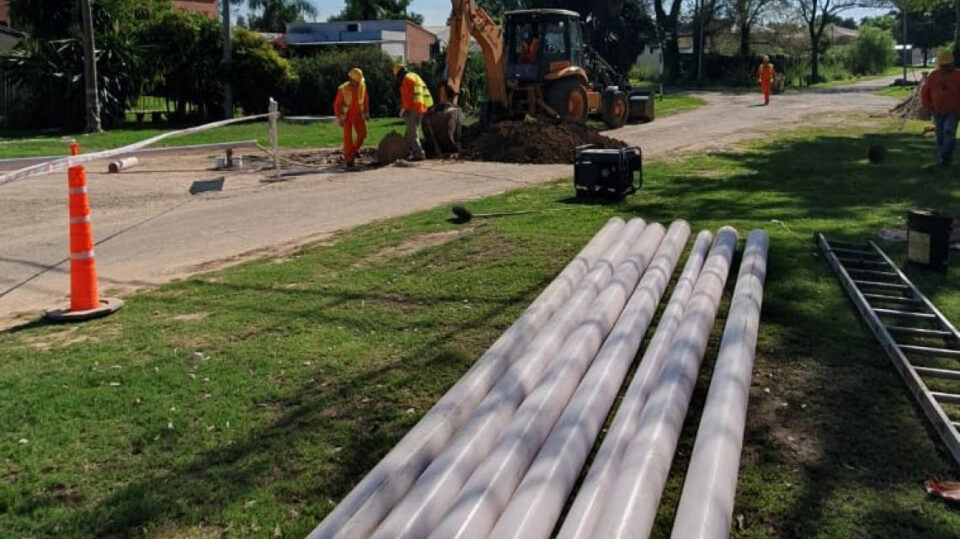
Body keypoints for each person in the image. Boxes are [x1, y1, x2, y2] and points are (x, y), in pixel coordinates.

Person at [921, 50, 960, 165]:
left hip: (954, 111)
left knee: (949, 132)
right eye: (943, 65)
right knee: (940, 135)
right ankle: (944, 161)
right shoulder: (934, 75)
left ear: (952, 64)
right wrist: (928, 106)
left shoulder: (958, 76)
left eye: (947, 65)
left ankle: (945, 155)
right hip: (937, 111)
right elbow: (925, 92)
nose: (945, 68)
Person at [394, 63, 434, 161]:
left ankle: (419, 154)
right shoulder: (415, 76)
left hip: (412, 108)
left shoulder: (406, 80)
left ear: (399, 74)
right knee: (409, 132)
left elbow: (407, 98)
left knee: (412, 133)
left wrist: (403, 109)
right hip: (421, 108)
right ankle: (405, 152)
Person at [333, 67, 370, 167]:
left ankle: (354, 151)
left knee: (363, 134)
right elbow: (337, 104)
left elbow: (365, 99)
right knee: (348, 140)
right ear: (351, 80)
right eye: (357, 81)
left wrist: (366, 112)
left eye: (359, 81)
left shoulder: (362, 86)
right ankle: (349, 160)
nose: (358, 83)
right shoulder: (343, 89)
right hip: (347, 117)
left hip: (358, 115)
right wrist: (339, 116)